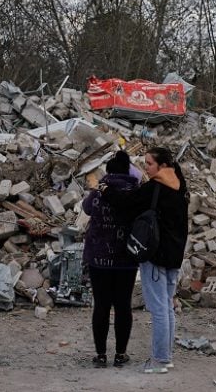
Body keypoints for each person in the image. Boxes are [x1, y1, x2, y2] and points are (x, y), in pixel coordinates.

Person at [103, 146, 188, 374]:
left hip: (155, 255)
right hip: (174, 255)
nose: (145, 168)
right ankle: (166, 357)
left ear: (162, 166)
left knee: (158, 307)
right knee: (167, 306)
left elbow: (126, 202)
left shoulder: (155, 188)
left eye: (149, 163)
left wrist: (104, 190)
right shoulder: (180, 186)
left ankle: (160, 360)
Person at [82, 150, 140, 368]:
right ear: (127, 170)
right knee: (123, 306)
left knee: (102, 305)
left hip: (99, 258)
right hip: (127, 259)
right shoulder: (136, 191)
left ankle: (100, 355)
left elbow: (87, 209)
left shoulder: (99, 191)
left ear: (109, 171)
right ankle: (120, 354)